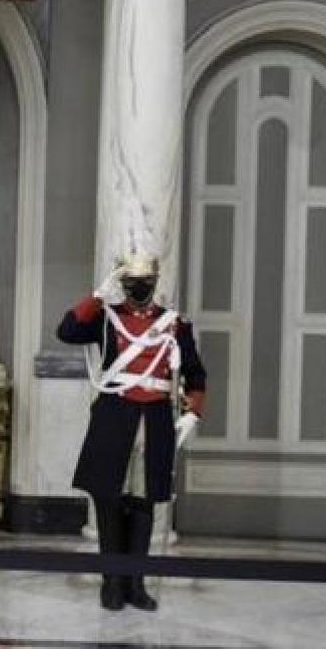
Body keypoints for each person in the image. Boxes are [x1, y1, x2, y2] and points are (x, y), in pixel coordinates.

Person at [57, 251, 206, 612]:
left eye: (144, 282)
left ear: (156, 283)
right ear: (122, 284)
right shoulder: (107, 320)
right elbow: (67, 331)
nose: (138, 289)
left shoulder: (175, 324)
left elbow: (196, 374)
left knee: (143, 505)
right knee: (108, 501)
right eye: (130, 283)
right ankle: (111, 582)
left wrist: (193, 413)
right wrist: (97, 295)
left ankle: (135, 584)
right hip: (114, 416)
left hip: (154, 419)